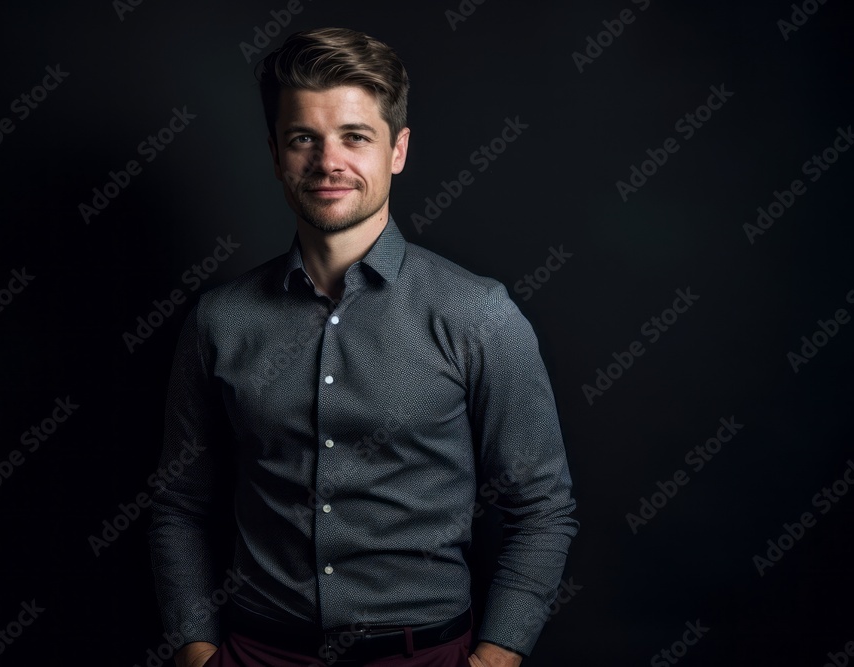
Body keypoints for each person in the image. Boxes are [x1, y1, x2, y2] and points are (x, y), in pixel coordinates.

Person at [149, 26, 578, 667]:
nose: (328, 161)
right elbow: (178, 503)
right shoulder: (220, 320)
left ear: (397, 150)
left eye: (355, 136)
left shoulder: (479, 314)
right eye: (303, 139)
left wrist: (495, 659)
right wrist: (196, 650)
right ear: (275, 153)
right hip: (259, 652)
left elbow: (542, 508)